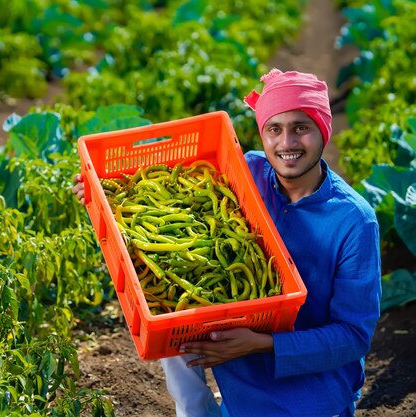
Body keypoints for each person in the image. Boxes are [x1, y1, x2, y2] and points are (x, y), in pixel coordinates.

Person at [72, 68, 382, 417]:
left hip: (311, 395)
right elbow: (173, 196)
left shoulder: (354, 220)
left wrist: (264, 345)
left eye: (301, 128)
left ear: (323, 131)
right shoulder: (248, 170)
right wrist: (105, 198)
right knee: (167, 305)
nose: (287, 143)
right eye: (274, 129)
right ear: (262, 134)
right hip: (236, 375)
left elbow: (353, 336)